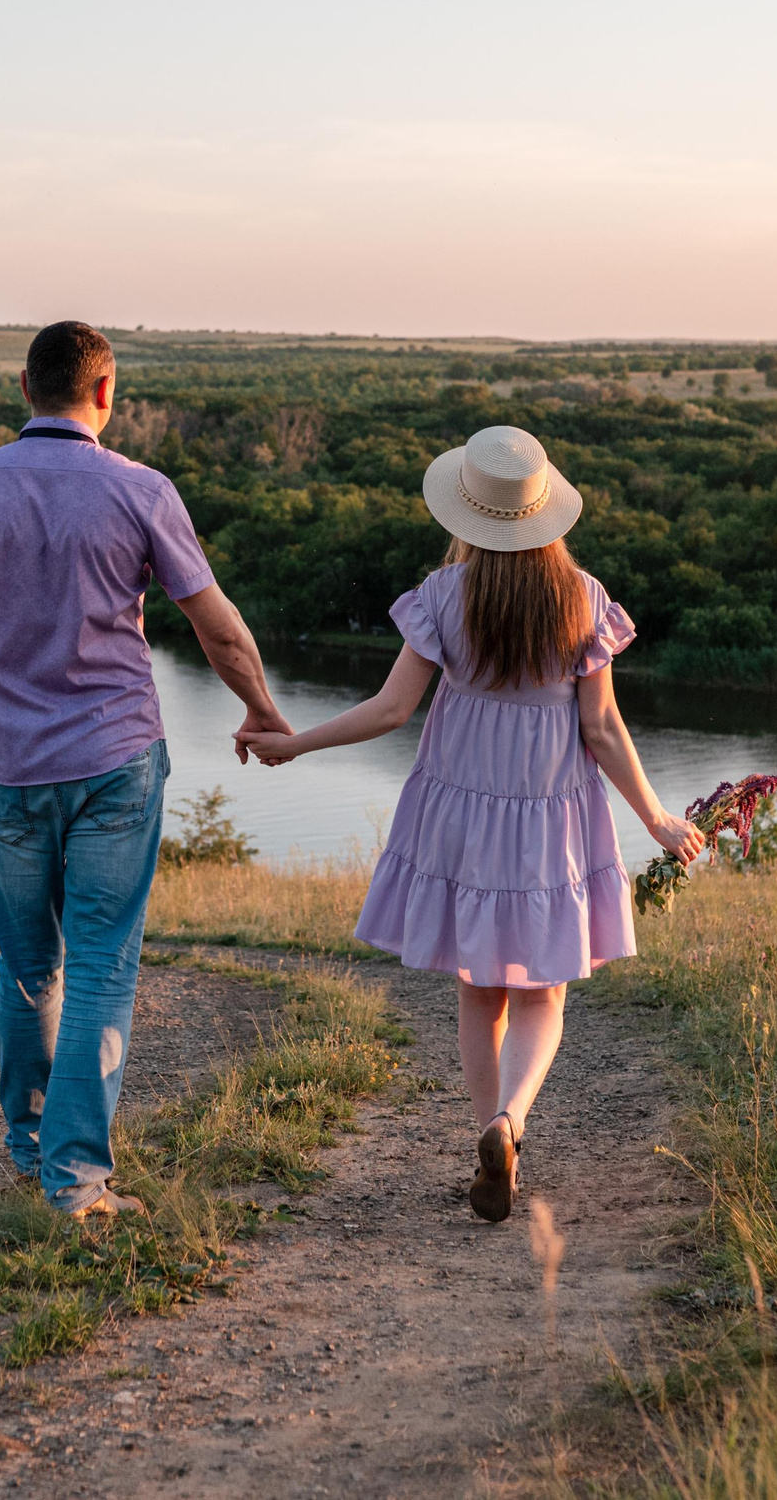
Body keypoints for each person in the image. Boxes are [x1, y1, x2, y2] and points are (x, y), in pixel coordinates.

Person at [239, 425, 704, 1222]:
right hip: (550, 814)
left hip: (461, 809)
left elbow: (390, 709)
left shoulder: (443, 596)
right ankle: (509, 1122)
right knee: (542, 993)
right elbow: (602, 729)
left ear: (468, 512)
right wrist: (656, 816)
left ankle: (485, 1131)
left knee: (478, 990)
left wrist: (296, 742)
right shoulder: (582, 597)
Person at [0, 320, 290, 1218]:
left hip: (8, 766)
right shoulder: (143, 491)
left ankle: (30, 1147)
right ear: (107, 392)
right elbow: (218, 625)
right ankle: (75, 1183)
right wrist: (260, 706)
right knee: (104, 964)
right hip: (117, 760)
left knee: (29, 963)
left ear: (24, 388)